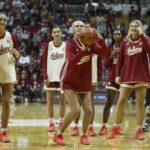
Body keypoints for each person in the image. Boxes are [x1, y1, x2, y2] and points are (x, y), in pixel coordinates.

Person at [53, 20, 108, 145]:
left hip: (84, 81)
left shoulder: (91, 43)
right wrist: (83, 50)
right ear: (73, 30)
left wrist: (100, 40)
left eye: (81, 26)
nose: (79, 28)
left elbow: (104, 54)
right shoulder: (70, 44)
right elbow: (72, 61)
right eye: (76, 26)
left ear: (85, 29)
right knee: (76, 110)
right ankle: (59, 134)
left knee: (89, 111)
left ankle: (83, 135)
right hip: (69, 81)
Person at [107, 20, 150, 140]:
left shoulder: (145, 39)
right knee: (121, 101)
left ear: (140, 28)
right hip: (127, 76)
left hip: (141, 76)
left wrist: (142, 35)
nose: (133, 28)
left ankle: (139, 130)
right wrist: (117, 75)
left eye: (136, 26)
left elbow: (149, 50)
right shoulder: (125, 42)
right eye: (131, 26)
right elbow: (119, 60)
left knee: (140, 103)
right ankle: (116, 127)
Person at [71, 54, 102, 136]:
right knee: (78, 102)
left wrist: (99, 76)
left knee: (90, 101)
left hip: (92, 76)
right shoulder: (78, 45)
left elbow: (99, 62)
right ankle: (75, 126)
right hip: (79, 76)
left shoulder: (96, 45)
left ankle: (90, 127)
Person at [0, 12, 20, 142]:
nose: (2, 21)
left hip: (8, 71)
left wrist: (17, 54)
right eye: (0, 19)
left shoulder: (11, 36)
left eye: (4, 19)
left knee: (6, 101)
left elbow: (17, 55)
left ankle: (4, 132)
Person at [99, 29, 123, 135]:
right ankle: (104, 125)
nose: (117, 35)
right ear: (113, 36)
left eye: (119, 34)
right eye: (115, 34)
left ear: (122, 36)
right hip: (112, 78)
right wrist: (112, 54)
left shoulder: (126, 47)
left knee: (121, 104)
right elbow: (106, 65)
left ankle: (117, 126)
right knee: (109, 102)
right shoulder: (110, 48)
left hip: (124, 79)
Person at [42, 26, 66, 132]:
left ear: (61, 33)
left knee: (62, 102)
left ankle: (61, 122)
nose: (56, 33)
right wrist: (45, 77)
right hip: (50, 77)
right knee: (50, 102)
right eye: (54, 32)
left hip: (62, 78)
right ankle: (51, 123)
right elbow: (43, 62)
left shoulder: (66, 46)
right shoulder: (48, 46)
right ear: (52, 34)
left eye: (58, 31)